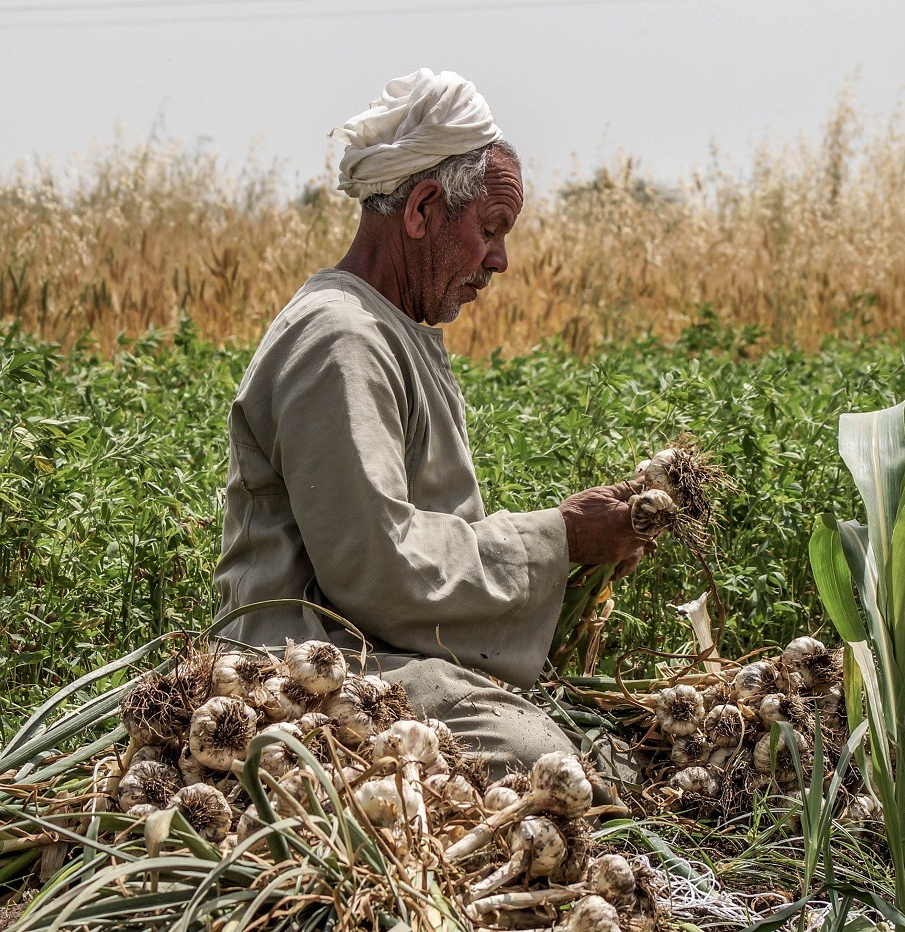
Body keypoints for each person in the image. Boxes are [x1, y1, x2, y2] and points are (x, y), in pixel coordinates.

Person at [213, 70, 648, 780]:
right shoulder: (340, 340)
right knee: (540, 759)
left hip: (380, 654)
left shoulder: (383, 331)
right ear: (420, 210)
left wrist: (577, 556)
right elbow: (377, 567)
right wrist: (561, 537)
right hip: (308, 674)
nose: (500, 260)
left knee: (606, 755)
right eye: (491, 230)